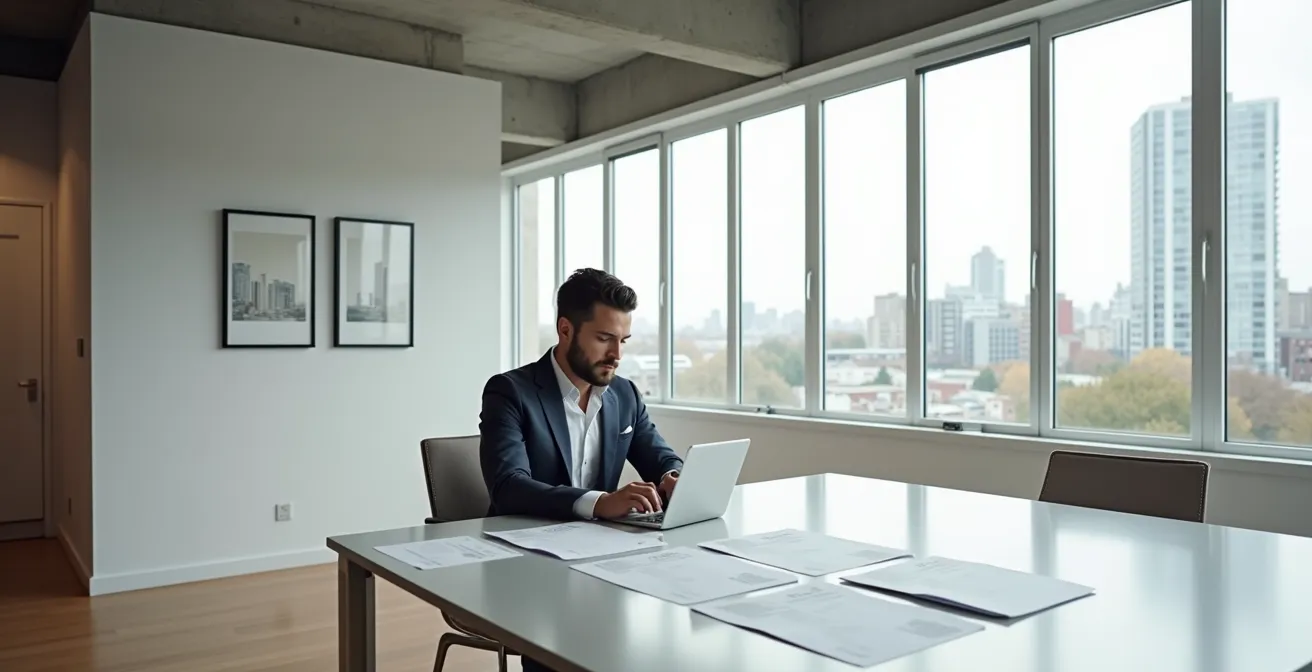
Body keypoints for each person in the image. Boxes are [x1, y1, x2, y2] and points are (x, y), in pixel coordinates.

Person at [479, 267, 683, 521]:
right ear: (565, 330)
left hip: (600, 539)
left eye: (623, 341)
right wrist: (599, 503)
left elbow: (661, 459)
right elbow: (508, 488)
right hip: (524, 537)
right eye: (604, 338)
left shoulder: (625, 394)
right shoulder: (509, 392)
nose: (617, 354)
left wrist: (671, 477)